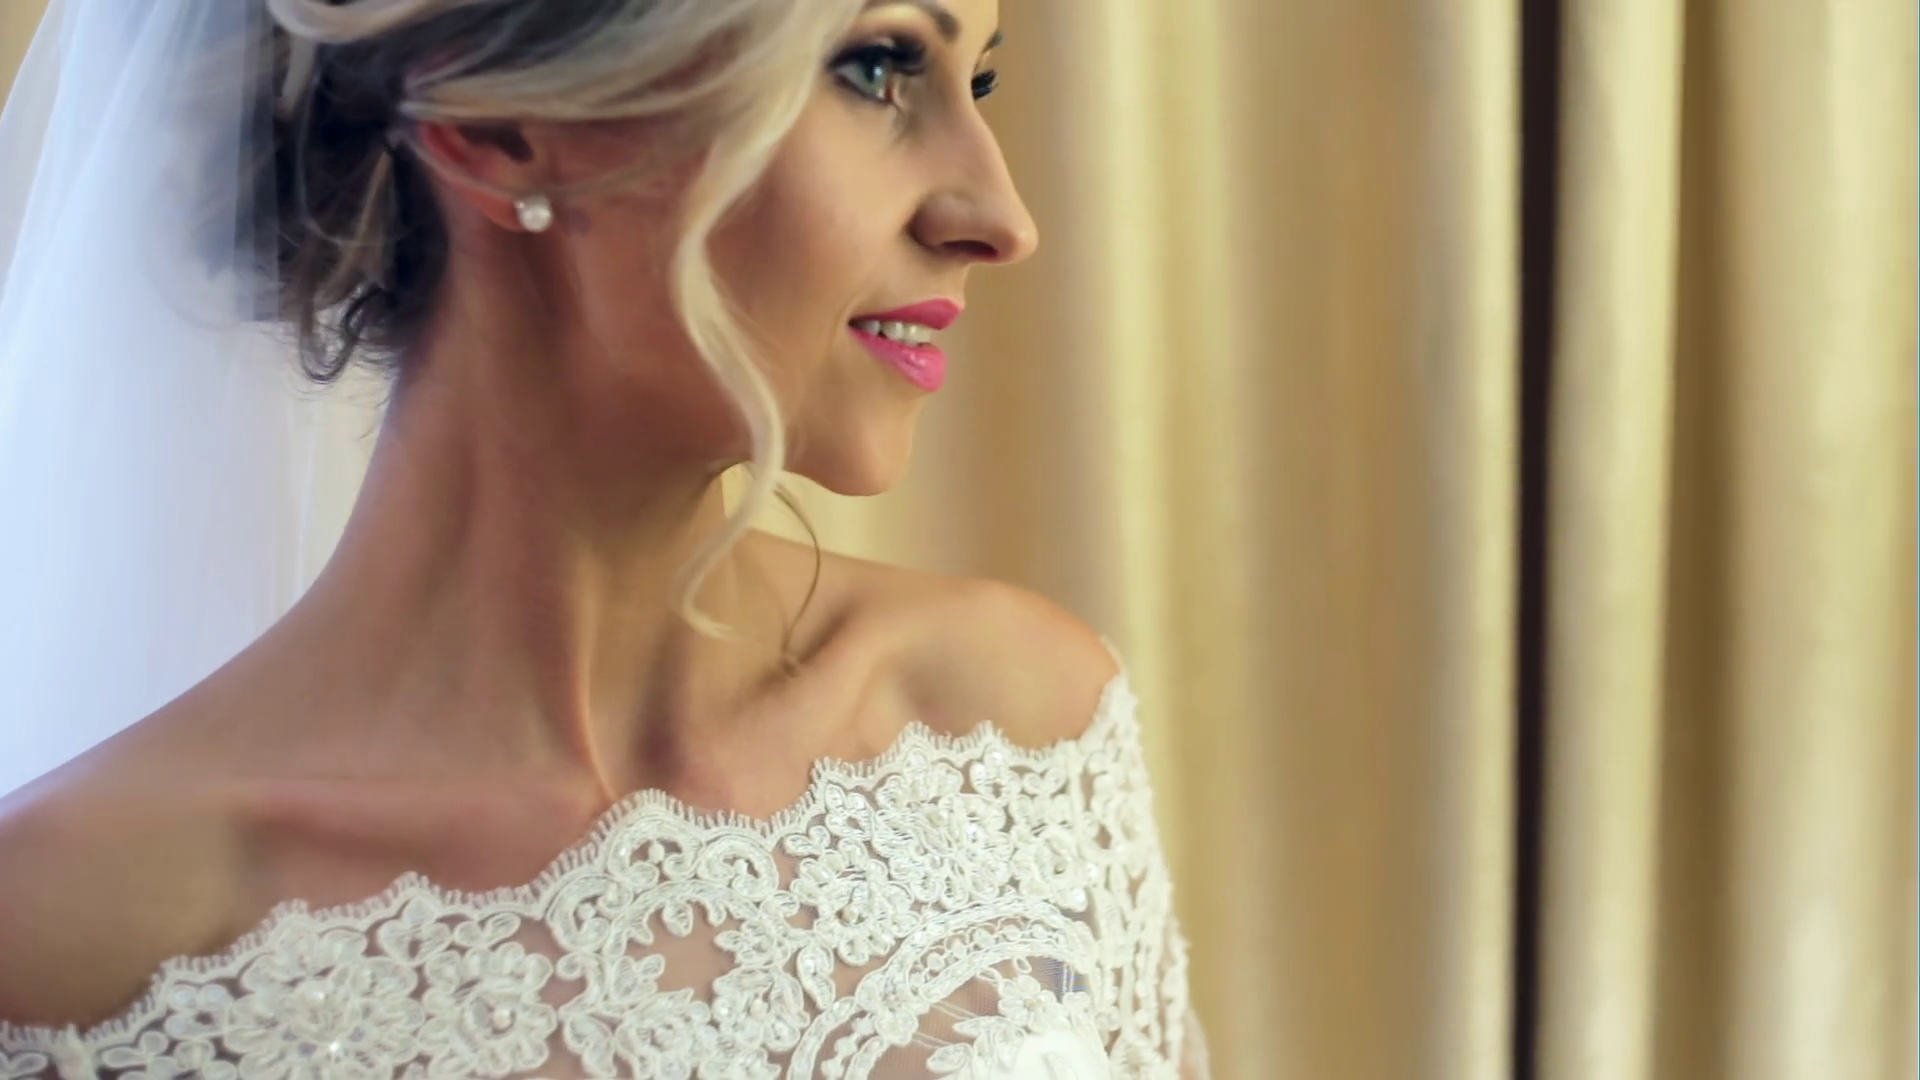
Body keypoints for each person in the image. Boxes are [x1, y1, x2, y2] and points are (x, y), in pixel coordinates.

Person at [0, 0, 1205, 1076]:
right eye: (876, 67)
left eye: (977, 80)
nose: (1000, 217)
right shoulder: (78, 950)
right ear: (496, 124)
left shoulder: (1011, 729)